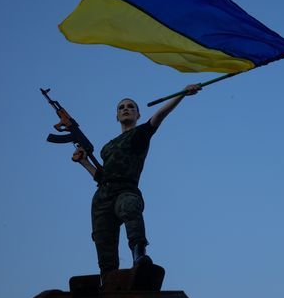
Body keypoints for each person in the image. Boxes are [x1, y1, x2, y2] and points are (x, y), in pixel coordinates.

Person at [73, 84, 201, 280]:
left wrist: (182, 94)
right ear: (117, 116)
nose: (126, 109)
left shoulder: (140, 134)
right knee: (102, 237)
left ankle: (139, 255)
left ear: (138, 115)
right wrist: (83, 162)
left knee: (129, 207)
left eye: (131, 107)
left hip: (126, 188)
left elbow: (159, 115)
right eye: (121, 107)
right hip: (102, 196)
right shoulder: (107, 147)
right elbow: (101, 176)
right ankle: (108, 279)